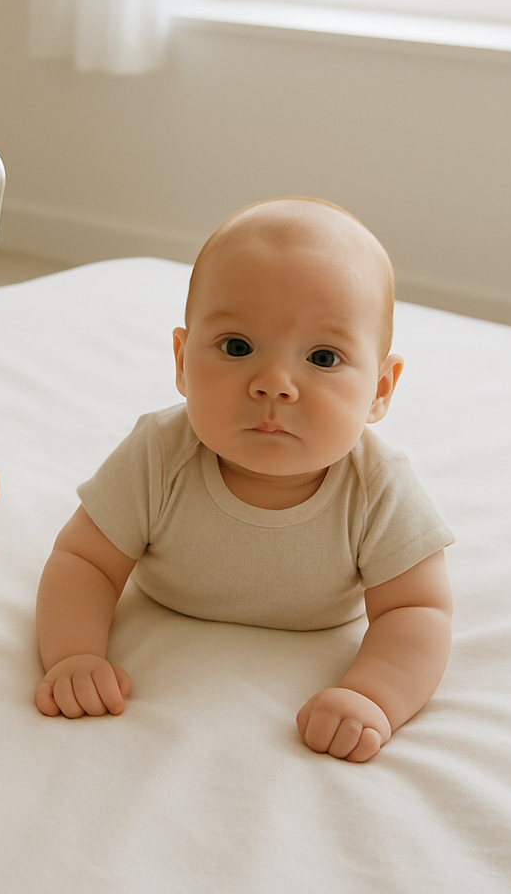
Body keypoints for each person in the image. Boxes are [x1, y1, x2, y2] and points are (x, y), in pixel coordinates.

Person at [34, 197, 454, 763]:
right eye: (237, 347)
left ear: (380, 389)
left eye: (324, 358)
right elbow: (84, 562)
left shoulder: (377, 485)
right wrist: (72, 655)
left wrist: (373, 696)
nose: (275, 384)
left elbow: (416, 611)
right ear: (182, 361)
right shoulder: (159, 454)